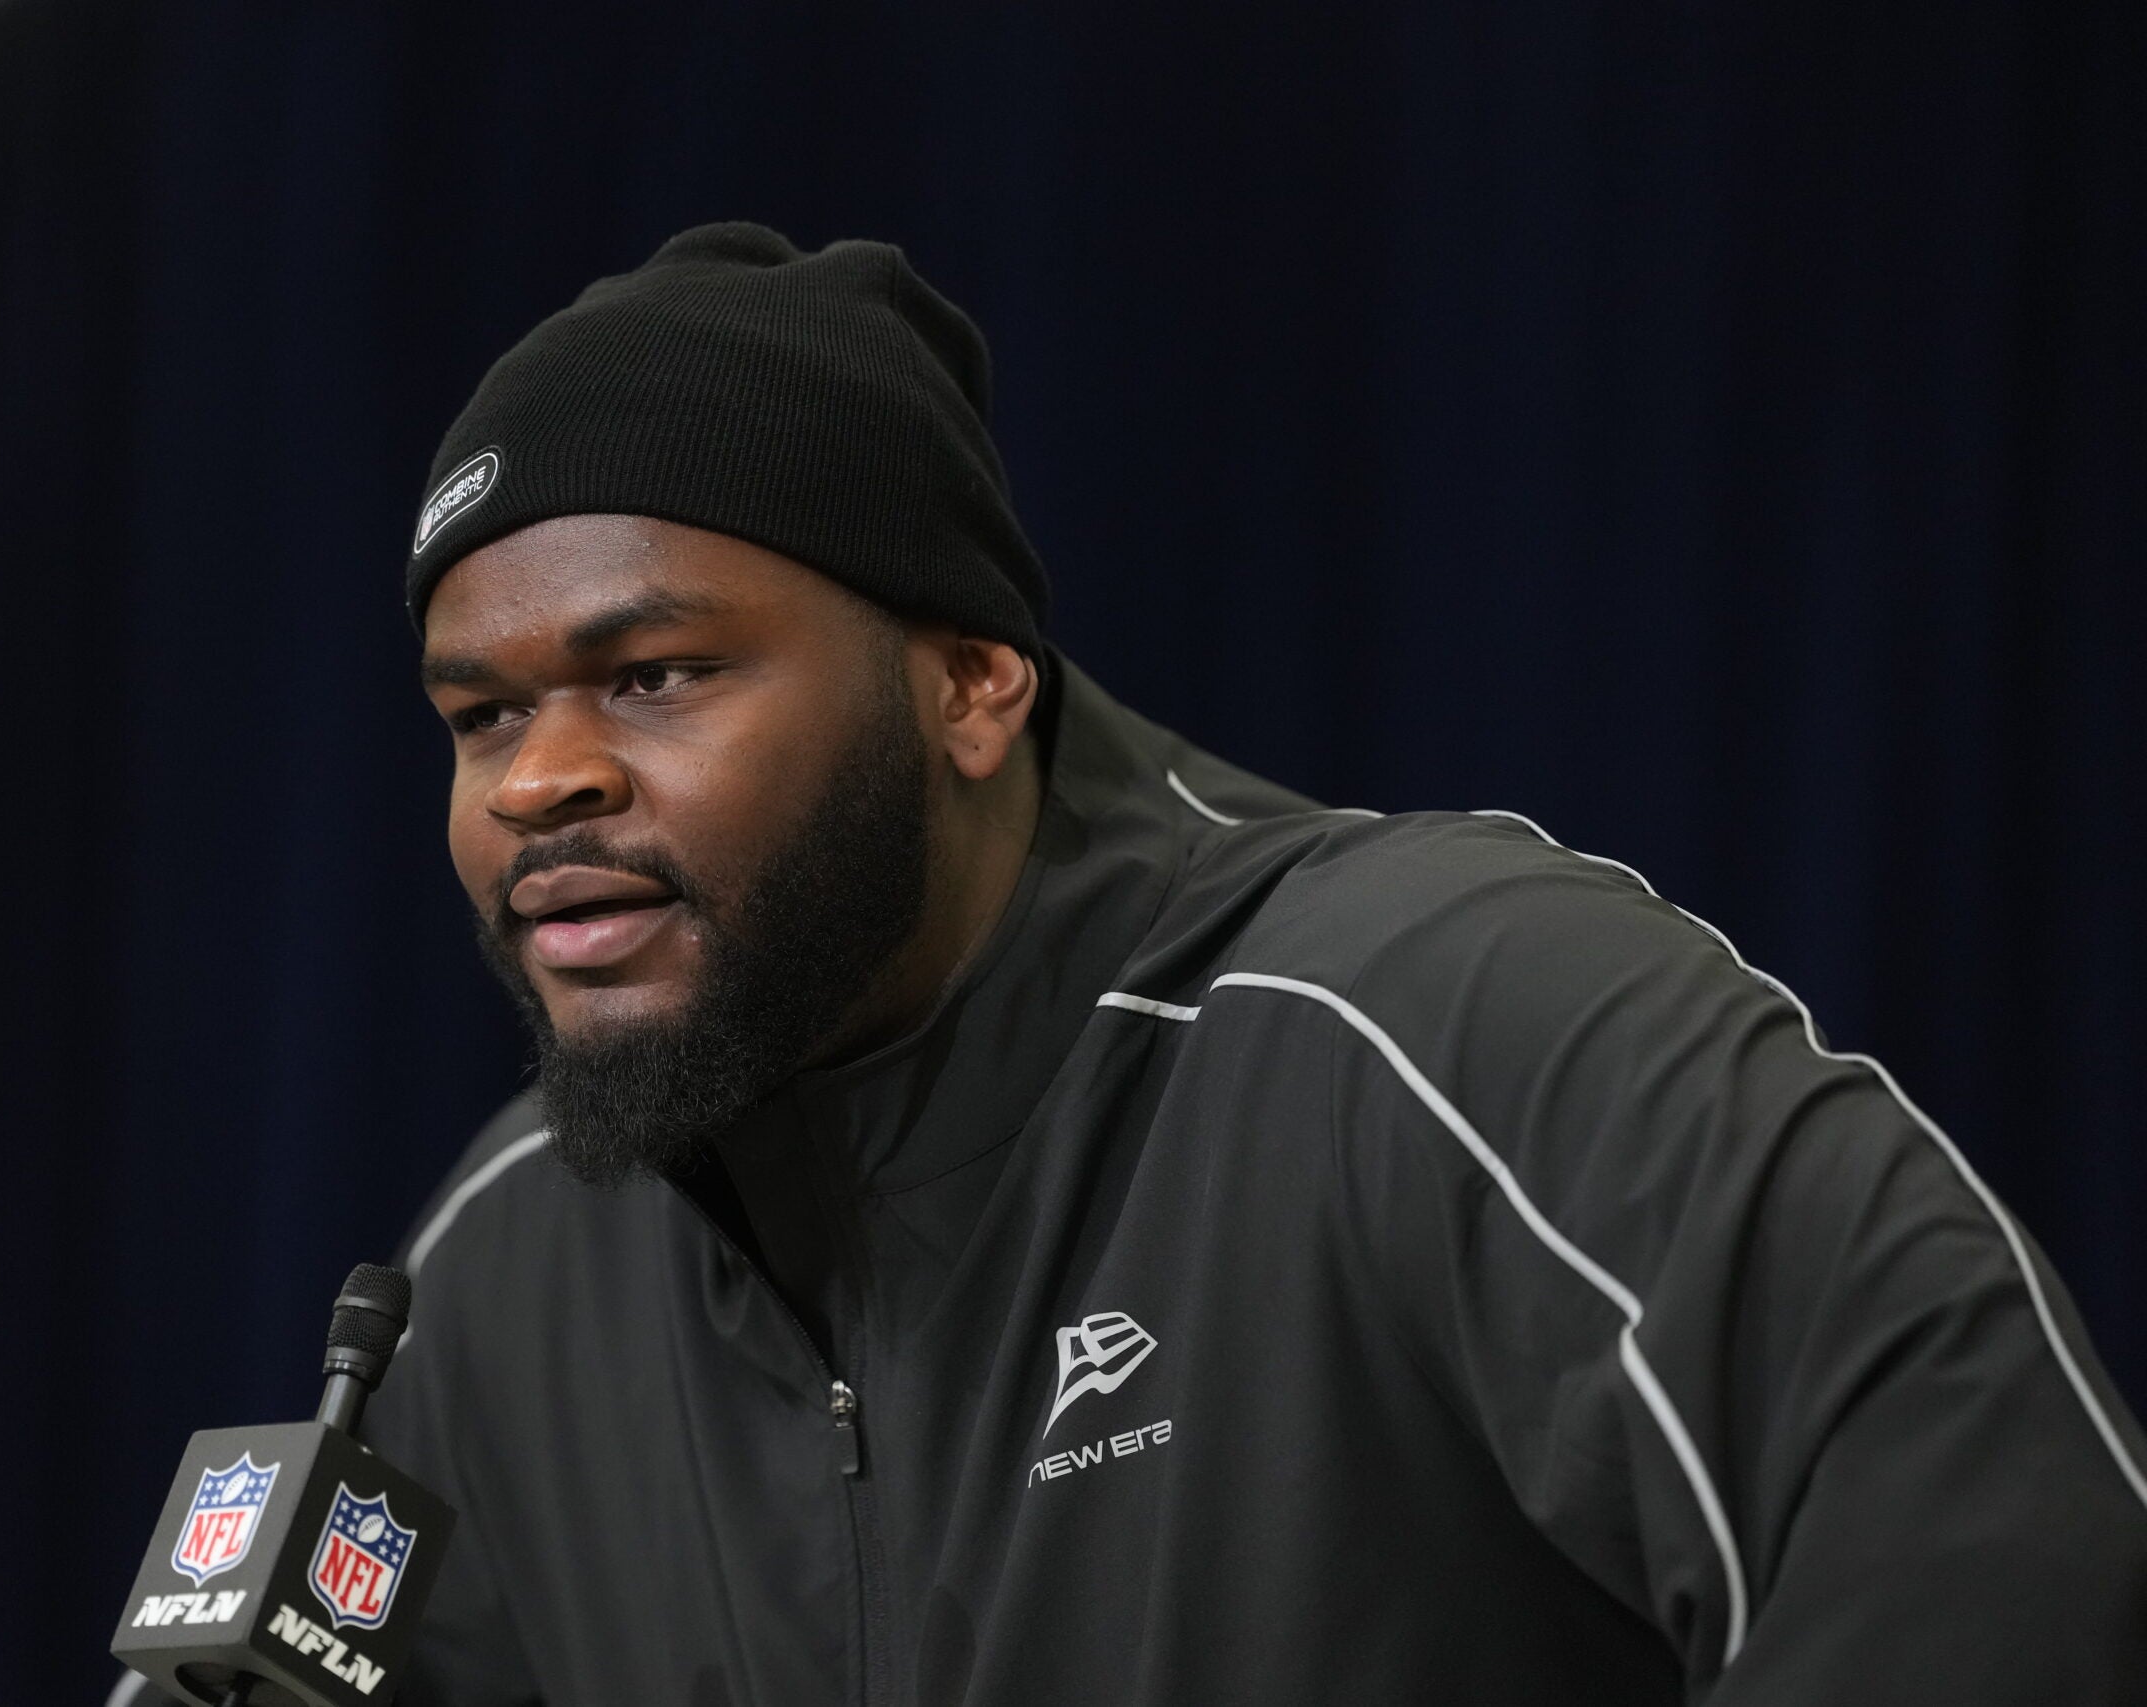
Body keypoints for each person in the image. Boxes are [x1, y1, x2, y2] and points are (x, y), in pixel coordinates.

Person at [369, 223, 2147, 1704]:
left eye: (657, 674)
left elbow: (2002, 1529)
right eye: (482, 712)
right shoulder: (512, 1255)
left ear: (971, 686)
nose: (541, 778)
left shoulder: (1436, 1012)